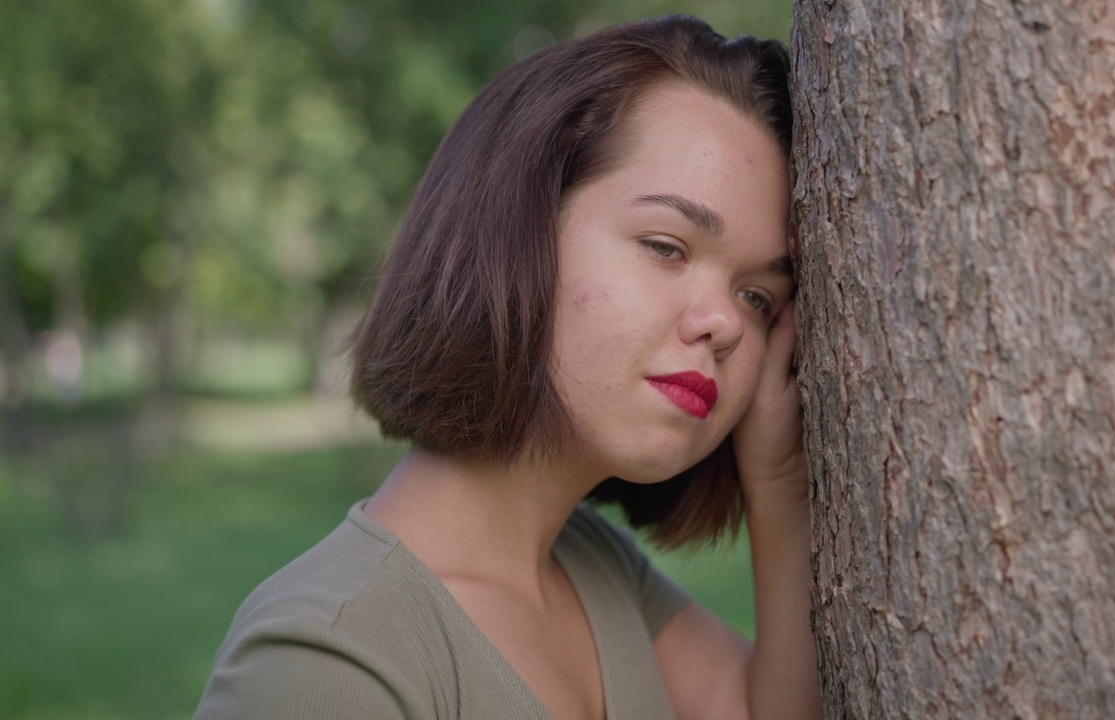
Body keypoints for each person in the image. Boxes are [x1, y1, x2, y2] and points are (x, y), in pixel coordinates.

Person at [194, 15, 820, 720]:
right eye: (667, 247)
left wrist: (778, 485)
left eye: (757, 297)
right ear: (519, 231)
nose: (727, 325)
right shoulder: (324, 661)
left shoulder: (594, 571)